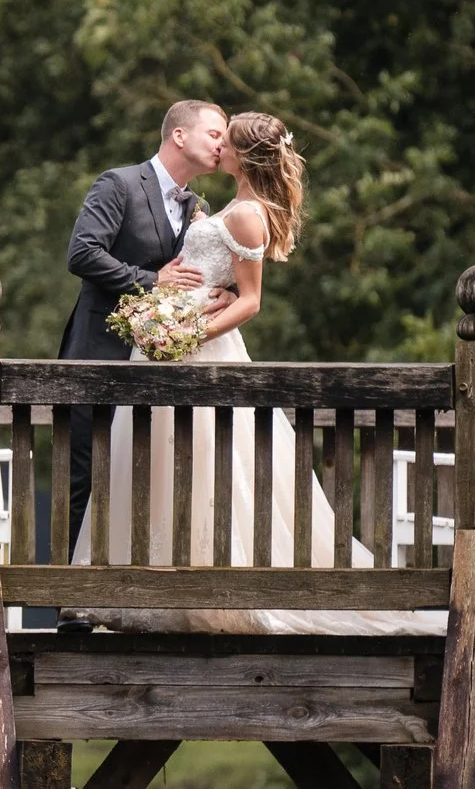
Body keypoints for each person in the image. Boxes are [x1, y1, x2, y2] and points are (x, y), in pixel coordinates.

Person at [72, 110, 444, 636]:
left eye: (226, 139)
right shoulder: (204, 202)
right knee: (148, 462)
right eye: (213, 134)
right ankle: (131, 587)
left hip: (196, 349)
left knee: (209, 464)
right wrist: (176, 310)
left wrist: (185, 336)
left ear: (243, 154)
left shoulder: (245, 214)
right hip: (160, 349)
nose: (218, 146)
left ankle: (210, 588)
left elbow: (251, 301)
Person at [54, 100, 230, 550]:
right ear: (179, 135)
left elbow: (195, 275)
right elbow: (83, 253)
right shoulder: (120, 184)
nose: (222, 143)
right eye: (214, 133)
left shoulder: (199, 206)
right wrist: (152, 280)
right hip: (100, 355)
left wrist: (223, 292)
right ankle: (72, 611)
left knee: (149, 483)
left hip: (160, 365)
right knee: (88, 478)